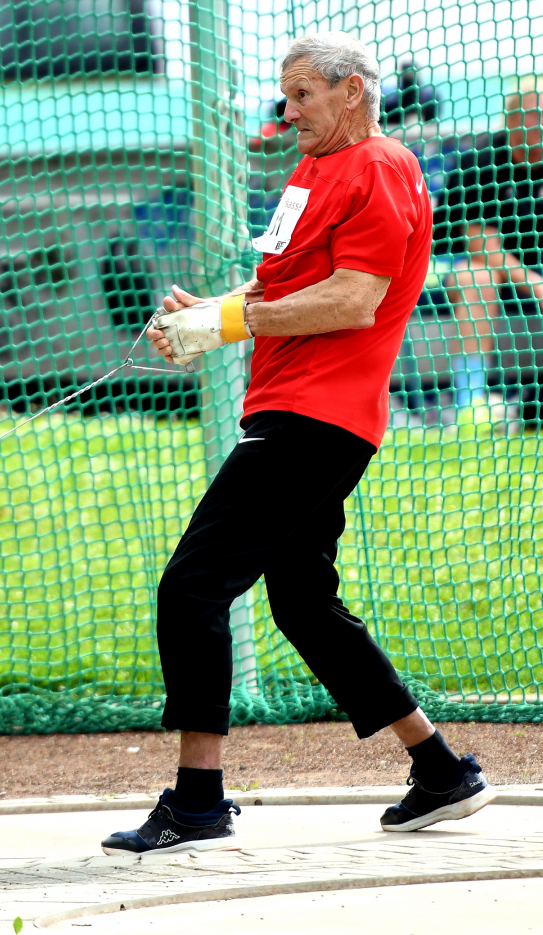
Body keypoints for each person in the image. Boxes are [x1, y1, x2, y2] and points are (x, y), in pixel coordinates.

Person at [100, 31, 496, 857]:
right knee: (303, 603)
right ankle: (440, 771)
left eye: (303, 94)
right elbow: (278, 286)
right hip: (293, 409)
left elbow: (354, 299)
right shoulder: (312, 170)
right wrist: (204, 315)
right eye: (286, 95)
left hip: (318, 417)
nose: (288, 109)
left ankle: (198, 798)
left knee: (193, 586)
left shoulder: (382, 165)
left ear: (352, 91)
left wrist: (225, 323)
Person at [433, 79, 543, 420]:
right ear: (509, 119)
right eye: (526, 115)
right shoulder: (479, 162)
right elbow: (485, 247)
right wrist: (539, 286)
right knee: (474, 277)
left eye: (539, 115)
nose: (534, 123)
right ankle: (471, 404)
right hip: (488, 270)